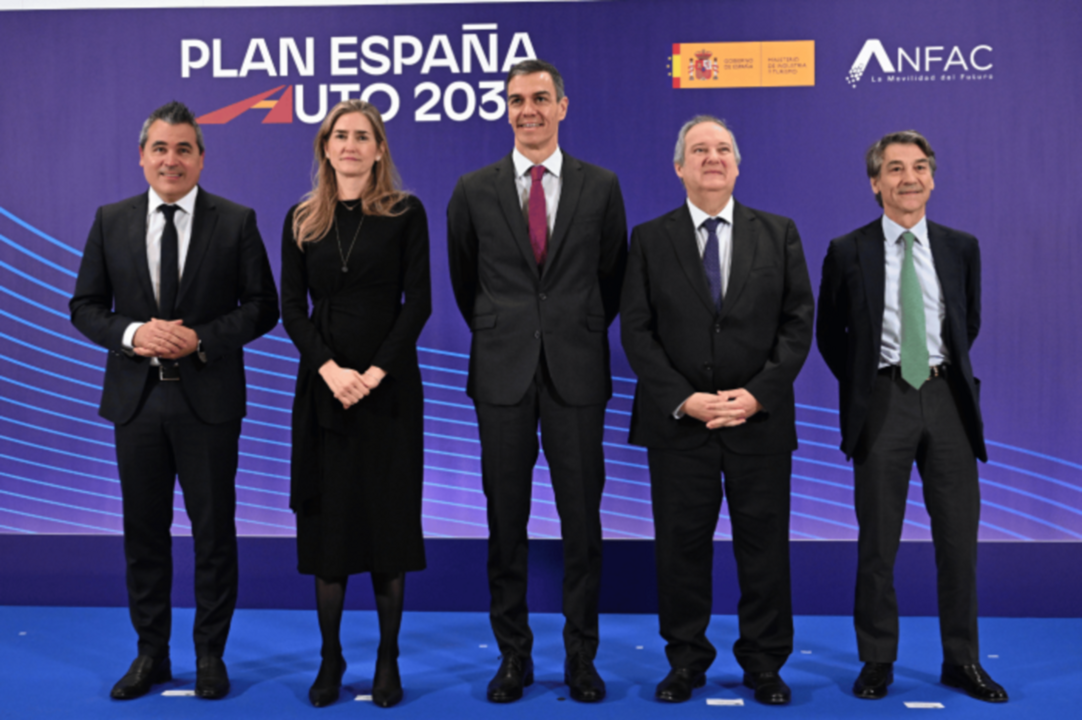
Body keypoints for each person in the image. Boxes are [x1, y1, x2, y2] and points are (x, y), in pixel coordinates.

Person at [69, 101, 279, 700]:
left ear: (201, 158)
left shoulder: (236, 221)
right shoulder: (110, 220)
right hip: (136, 405)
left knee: (214, 534)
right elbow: (84, 306)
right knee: (144, 535)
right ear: (142, 157)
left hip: (208, 403)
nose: (171, 159)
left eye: (183, 148)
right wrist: (134, 334)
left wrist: (202, 339)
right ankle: (151, 654)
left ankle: (210, 654)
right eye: (160, 148)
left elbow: (263, 306)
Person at [446, 59, 627, 704]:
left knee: (583, 524)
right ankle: (513, 658)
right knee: (506, 523)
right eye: (518, 99)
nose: (529, 109)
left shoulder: (601, 186)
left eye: (541, 98)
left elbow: (612, 278)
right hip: (501, 376)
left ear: (563, 106)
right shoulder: (473, 188)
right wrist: (509, 330)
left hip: (577, 375)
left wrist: (566, 328)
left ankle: (582, 658)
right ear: (505, 107)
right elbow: (466, 282)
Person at [620, 116, 814, 705]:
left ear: (737, 163)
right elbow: (636, 328)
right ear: (679, 166)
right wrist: (684, 398)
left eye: (723, 148)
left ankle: (764, 663)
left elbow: (798, 322)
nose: (712, 157)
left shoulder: (778, 232)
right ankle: (685, 661)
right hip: (680, 423)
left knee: (764, 551)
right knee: (680, 551)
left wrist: (757, 394)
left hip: (758, 420)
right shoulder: (650, 239)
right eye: (699, 150)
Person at [816, 131, 1007, 703]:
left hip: (948, 400)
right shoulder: (846, 249)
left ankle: (962, 660)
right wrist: (869, 383)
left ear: (932, 177)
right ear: (876, 182)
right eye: (895, 169)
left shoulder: (960, 246)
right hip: (882, 400)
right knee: (878, 542)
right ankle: (877, 660)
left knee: (958, 542)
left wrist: (935, 370)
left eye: (920, 167)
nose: (910, 178)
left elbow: (966, 323)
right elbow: (831, 334)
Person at [280, 99, 431, 709]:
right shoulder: (301, 219)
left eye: (361, 136)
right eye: (339, 135)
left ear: (379, 149)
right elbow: (292, 308)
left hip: (388, 388)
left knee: (387, 523)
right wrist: (330, 370)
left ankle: (387, 657)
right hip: (323, 389)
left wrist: (370, 373)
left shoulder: (405, 212)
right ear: (325, 147)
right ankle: (330, 656)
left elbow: (416, 303)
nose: (349, 145)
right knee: (330, 527)